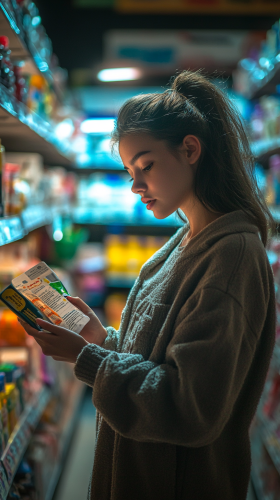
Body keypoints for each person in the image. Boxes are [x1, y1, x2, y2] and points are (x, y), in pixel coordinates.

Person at [19, 70, 276, 500]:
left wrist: (88, 359)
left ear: (190, 149)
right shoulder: (185, 238)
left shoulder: (232, 258)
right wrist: (101, 338)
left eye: (147, 165)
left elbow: (189, 406)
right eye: (128, 170)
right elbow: (157, 357)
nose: (135, 185)